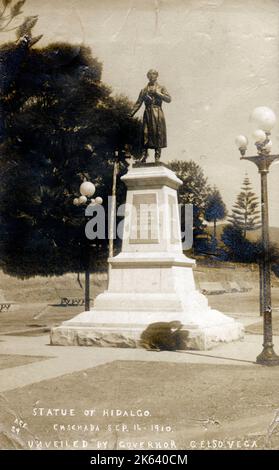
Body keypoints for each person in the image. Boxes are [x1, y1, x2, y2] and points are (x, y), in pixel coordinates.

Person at [130, 69, 171, 162]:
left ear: (157, 76)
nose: (152, 76)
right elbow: (138, 102)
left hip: (157, 112)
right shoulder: (144, 90)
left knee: (158, 133)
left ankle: (157, 157)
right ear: (147, 76)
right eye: (150, 74)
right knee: (145, 134)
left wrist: (158, 93)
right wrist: (131, 113)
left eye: (154, 74)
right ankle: (144, 156)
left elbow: (169, 99)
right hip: (147, 113)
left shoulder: (161, 87)